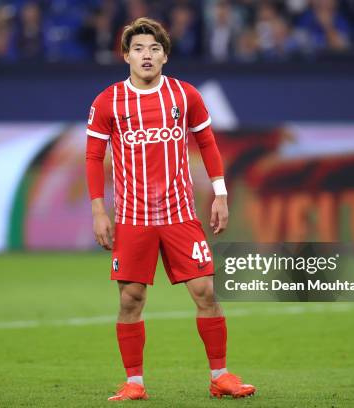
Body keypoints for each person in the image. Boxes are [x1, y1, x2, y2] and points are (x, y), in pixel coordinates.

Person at [85, 17, 256, 401]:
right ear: (126, 55)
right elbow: (94, 157)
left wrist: (221, 193)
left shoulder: (185, 95)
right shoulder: (107, 101)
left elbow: (208, 143)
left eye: (155, 49)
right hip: (132, 218)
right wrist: (98, 210)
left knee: (206, 292)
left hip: (180, 215)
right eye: (139, 49)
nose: (147, 55)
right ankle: (135, 383)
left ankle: (221, 377)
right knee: (131, 299)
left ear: (165, 56)